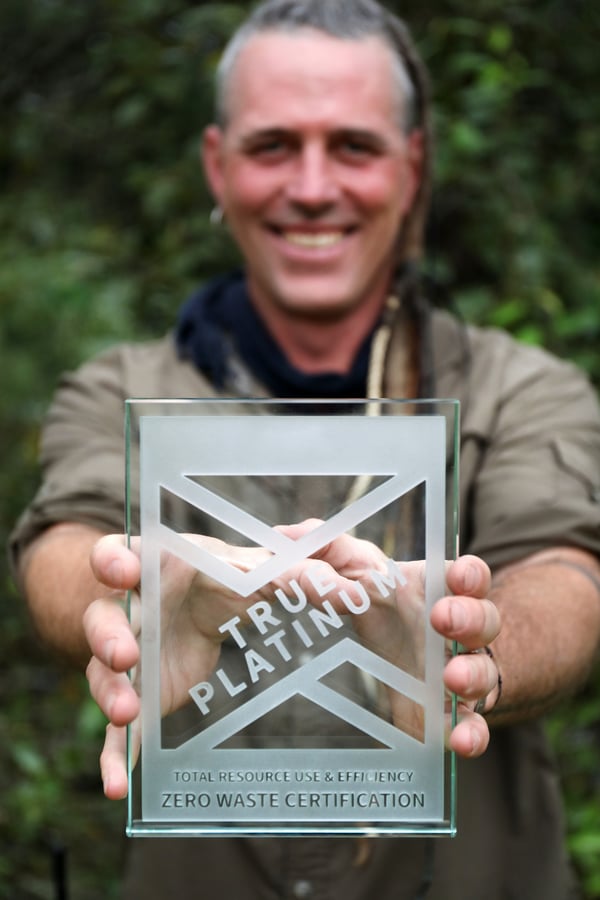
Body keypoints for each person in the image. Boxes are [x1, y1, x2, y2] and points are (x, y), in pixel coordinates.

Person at [9, 0, 600, 898]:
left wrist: (469, 646)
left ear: (412, 166)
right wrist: (125, 603)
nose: (313, 186)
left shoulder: (522, 388)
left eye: (354, 147)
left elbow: (571, 574)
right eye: (273, 145)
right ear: (217, 164)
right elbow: (63, 537)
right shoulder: (120, 387)